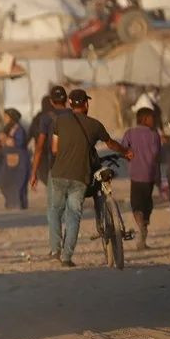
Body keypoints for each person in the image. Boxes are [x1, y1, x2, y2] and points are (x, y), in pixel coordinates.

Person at [49, 89, 132, 267]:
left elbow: (54, 149)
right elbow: (111, 144)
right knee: (73, 216)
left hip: (58, 174)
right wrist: (126, 152)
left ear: (70, 104)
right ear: (86, 104)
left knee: (55, 211)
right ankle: (66, 257)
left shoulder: (59, 121)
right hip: (80, 176)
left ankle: (55, 249)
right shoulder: (95, 125)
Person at [120, 107, 163, 250]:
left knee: (137, 205)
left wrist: (129, 155)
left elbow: (123, 151)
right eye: (152, 118)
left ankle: (140, 226)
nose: (154, 121)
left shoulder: (129, 133)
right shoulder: (154, 135)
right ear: (144, 119)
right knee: (147, 204)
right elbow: (157, 155)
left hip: (136, 175)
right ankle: (142, 237)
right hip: (150, 175)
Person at [30, 86, 71, 192]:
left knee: (55, 203)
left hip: (52, 159)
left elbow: (38, 145)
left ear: (52, 101)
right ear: (66, 100)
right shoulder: (74, 115)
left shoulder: (43, 118)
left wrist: (33, 172)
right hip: (73, 160)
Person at [0, 108, 29, 210]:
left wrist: (6, 139)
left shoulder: (19, 129)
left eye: (6, 117)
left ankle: (19, 205)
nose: (4, 119)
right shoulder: (6, 128)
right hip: (8, 161)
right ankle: (10, 204)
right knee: (4, 183)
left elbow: (19, 143)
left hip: (19, 162)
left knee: (19, 184)